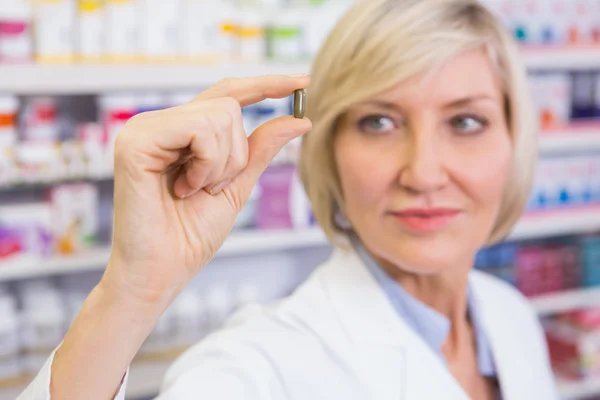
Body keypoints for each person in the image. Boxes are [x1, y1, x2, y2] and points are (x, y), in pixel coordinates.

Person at [19, 0, 558, 399]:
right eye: (378, 121)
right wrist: (132, 291)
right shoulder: (257, 366)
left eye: (466, 121)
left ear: (514, 138)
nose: (423, 173)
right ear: (328, 150)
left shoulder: (509, 317)